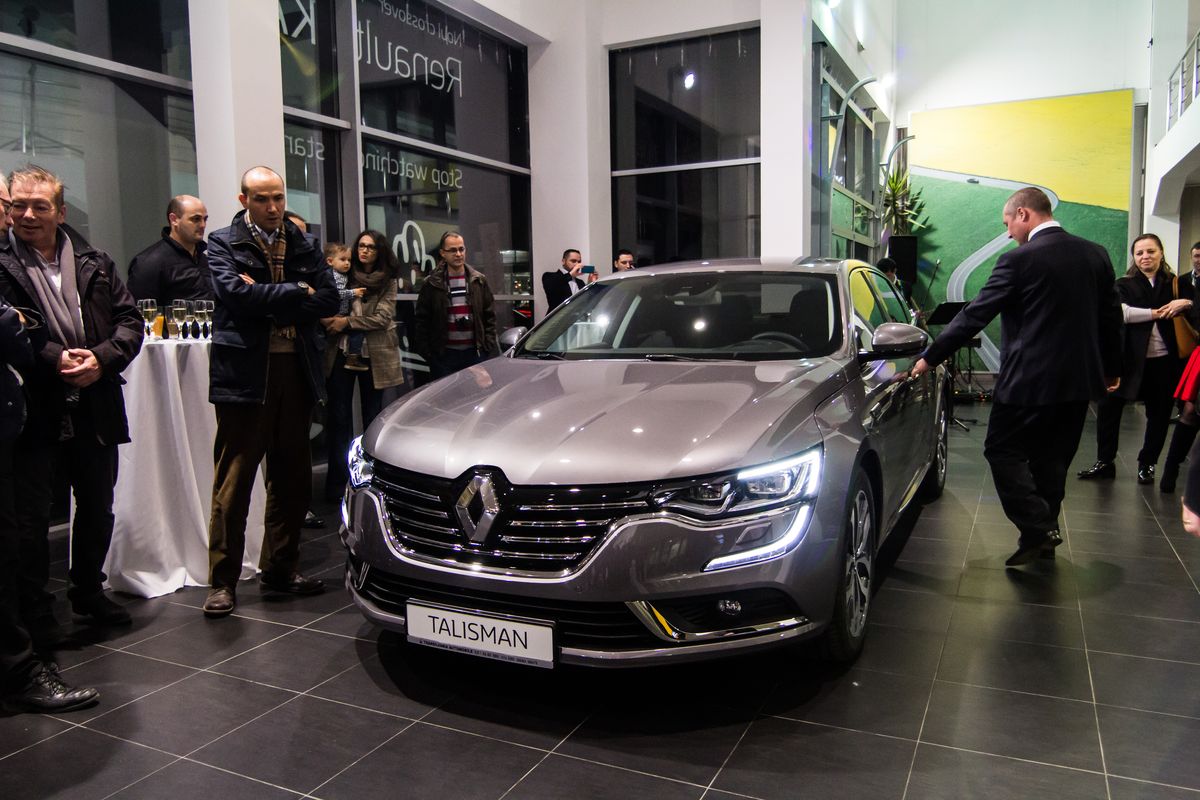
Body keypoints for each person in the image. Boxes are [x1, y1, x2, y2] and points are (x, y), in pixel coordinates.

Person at [911, 187, 1122, 567]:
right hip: (1079, 381)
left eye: (1008, 223)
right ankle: (1041, 537)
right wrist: (1112, 368)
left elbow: (976, 314)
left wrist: (930, 356)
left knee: (1001, 450)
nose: (1008, 233)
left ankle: (1038, 528)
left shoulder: (1018, 260)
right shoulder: (1096, 254)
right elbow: (1111, 318)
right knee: (1053, 461)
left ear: (1023, 214)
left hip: (1028, 380)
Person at [0, 165, 144, 632]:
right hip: (35, 405)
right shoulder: (2, 262)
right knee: (32, 519)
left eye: (39, 206)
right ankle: (38, 613)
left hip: (96, 400)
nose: (27, 215)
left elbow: (130, 321)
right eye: (18, 205)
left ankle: (88, 592)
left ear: (60, 212)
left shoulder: (94, 260)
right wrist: (55, 358)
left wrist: (101, 359)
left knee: (98, 506)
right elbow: (8, 333)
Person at [202, 166, 338, 618]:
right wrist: (297, 290)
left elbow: (329, 300)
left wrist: (266, 294)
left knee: (293, 479)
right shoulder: (223, 242)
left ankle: (281, 568)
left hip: (296, 369)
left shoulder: (303, 242)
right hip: (244, 373)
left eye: (278, 197)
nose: (273, 206)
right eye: (262, 198)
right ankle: (222, 582)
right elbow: (233, 296)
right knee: (234, 482)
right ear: (244, 200)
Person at [1078, 233, 1194, 485]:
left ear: (1161, 253)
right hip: (1126, 360)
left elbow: (1194, 308)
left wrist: (1185, 302)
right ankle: (1105, 461)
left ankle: (1147, 464)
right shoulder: (1124, 284)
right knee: (1109, 410)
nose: (1145, 257)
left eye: (1151, 251)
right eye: (1139, 253)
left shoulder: (1176, 284)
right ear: (1134, 257)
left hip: (1164, 361)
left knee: (1159, 415)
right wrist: (1158, 313)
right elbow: (1123, 313)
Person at [322, 230, 404, 501]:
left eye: (371, 247)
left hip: (375, 355)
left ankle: (371, 483)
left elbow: (382, 318)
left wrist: (346, 322)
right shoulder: (344, 273)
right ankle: (337, 484)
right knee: (339, 418)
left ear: (380, 251)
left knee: (372, 417)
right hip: (342, 352)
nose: (364, 251)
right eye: (361, 246)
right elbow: (329, 301)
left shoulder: (388, 281)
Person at [413, 231, 499, 380]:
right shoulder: (432, 283)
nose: (458, 254)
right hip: (444, 356)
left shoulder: (478, 280)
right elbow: (421, 321)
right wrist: (430, 355)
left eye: (461, 249)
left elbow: (490, 316)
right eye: (453, 250)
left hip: (475, 354)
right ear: (443, 253)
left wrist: (486, 348)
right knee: (445, 395)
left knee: (474, 394)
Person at [1158, 240, 1200, 492]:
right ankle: (1170, 470)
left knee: (1190, 414)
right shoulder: (1187, 282)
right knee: (1190, 412)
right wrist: (1191, 304)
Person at [127, 195, 213, 310]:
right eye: (196, 219)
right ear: (174, 219)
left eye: (205, 219)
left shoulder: (205, 260)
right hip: (172, 322)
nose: (203, 225)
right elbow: (139, 313)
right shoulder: (149, 262)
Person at [323, 242, 368, 370]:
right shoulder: (334, 276)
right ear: (330, 261)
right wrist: (353, 292)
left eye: (349, 260)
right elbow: (335, 294)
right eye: (342, 259)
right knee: (357, 329)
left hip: (339, 314)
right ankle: (352, 358)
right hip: (333, 314)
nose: (347, 263)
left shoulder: (341, 275)